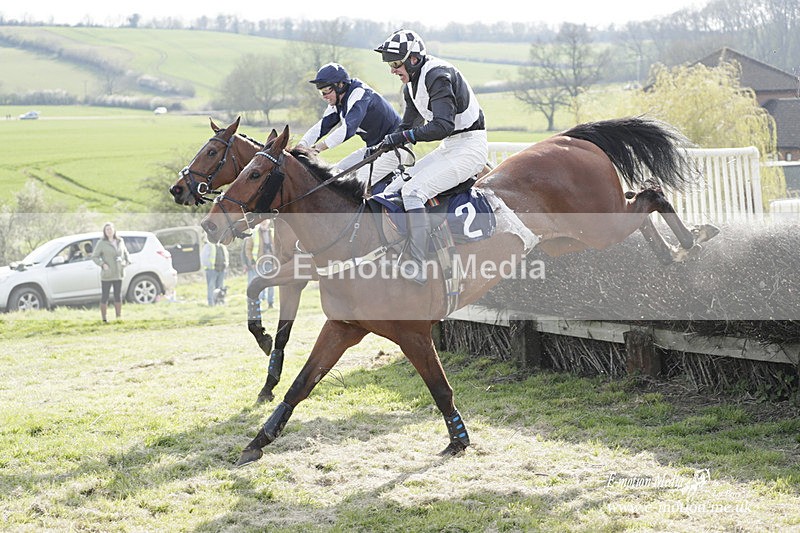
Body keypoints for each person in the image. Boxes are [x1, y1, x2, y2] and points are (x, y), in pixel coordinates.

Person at [374, 29, 488, 284]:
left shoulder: (437, 75)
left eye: (395, 63)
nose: (392, 70)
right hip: (451, 147)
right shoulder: (411, 87)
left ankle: (419, 264)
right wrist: (383, 145)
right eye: (389, 65)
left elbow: (441, 126)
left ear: (413, 59)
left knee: (413, 192)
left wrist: (403, 138)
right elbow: (406, 127)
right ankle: (399, 252)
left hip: (470, 147)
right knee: (394, 187)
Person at [297, 62, 413, 187]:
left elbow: (347, 129)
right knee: (336, 173)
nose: (324, 96)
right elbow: (320, 127)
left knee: (354, 184)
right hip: (374, 148)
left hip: (395, 149)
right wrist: (300, 146)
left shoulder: (359, 94)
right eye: (321, 92)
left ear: (340, 85)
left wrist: (316, 149)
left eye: (326, 90)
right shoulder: (338, 102)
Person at [91, 222, 130, 322]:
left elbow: (126, 254)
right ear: (105, 232)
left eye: (110, 229)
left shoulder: (120, 241)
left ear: (114, 230)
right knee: (105, 296)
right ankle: (104, 319)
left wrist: (125, 262)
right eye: (107, 229)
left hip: (118, 273)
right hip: (107, 274)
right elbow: (94, 256)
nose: (109, 231)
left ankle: (118, 317)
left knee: (118, 295)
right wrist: (102, 264)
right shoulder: (102, 243)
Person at [243, 219, 275, 309]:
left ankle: (271, 303)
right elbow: (248, 249)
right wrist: (252, 261)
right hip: (259, 263)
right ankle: (259, 303)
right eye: (262, 222)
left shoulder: (273, 232)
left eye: (265, 222)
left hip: (271, 262)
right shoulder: (254, 233)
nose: (263, 223)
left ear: (268, 222)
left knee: (272, 283)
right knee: (260, 283)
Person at [201, 237, 229, 306]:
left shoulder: (222, 246)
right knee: (211, 287)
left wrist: (226, 265)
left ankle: (219, 302)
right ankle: (211, 303)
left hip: (221, 269)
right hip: (212, 270)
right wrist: (209, 267)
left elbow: (226, 256)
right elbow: (204, 258)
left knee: (220, 287)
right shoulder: (208, 245)